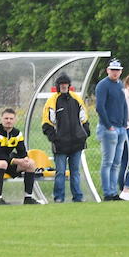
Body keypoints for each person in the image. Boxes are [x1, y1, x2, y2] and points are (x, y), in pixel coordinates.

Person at [41, 74, 90, 203]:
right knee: (60, 172)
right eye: (61, 84)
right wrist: (54, 138)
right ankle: (59, 197)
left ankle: (78, 197)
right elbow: (46, 123)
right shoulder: (52, 101)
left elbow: (84, 118)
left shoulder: (76, 99)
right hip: (60, 144)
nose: (64, 86)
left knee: (75, 172)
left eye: (66, 84)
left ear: (69, 85)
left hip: (76, 143)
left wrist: (84, 134)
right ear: (58, 86)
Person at [0, 108, 40, 204]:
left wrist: (25, 160)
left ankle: (28, 198)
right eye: (6, 118)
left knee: (30, 164)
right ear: (1, 119)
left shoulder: (17, 134)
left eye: (11, 118)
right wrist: (16, 161)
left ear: (15, 120)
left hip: (6, 162)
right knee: (2, 163)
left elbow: (22, 152)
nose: (8, 121)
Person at [94, 58, 128, 201]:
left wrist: (124, 123)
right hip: (109, 128)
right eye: (113, 70)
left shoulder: (120, 84)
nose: (115, 72)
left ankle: (114, 192)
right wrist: (108, 125)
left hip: (121, 128)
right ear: (108, 70)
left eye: (117, 70)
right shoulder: (103, 85)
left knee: (116, 163)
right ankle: (107, 192)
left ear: (121, 71)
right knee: (108, 162)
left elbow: (123, 104)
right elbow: (100, 107)